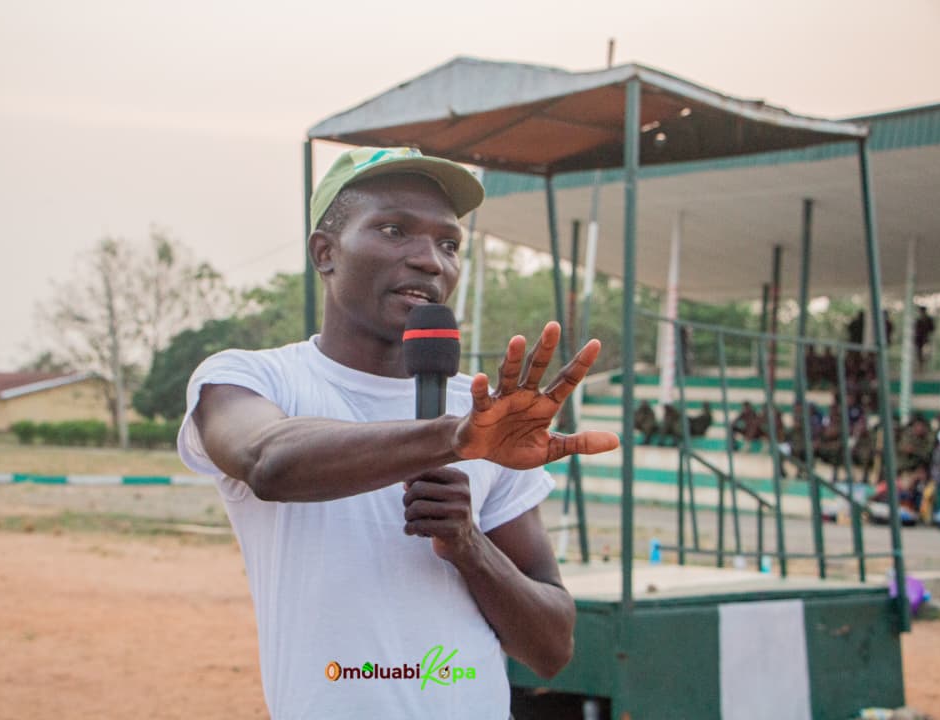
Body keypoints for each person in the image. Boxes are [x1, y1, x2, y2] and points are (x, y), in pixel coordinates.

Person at [176, 147, 620, 719]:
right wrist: (452, 439)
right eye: (394, 230)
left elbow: (551, 649)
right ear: (325, 252)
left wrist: (469, 546)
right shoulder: (252, 379)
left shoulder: (481, 413)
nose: (430, 261)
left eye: (449, 244)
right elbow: (268, 462)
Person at [914, 305, 935, 370]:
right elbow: (916, 329)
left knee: (926, 353)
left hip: (926, 338)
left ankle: (924, 365)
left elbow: (932, 328)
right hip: (919, 339)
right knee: (919, 353)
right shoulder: (918, 320)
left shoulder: (928, 320)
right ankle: (920, 366)